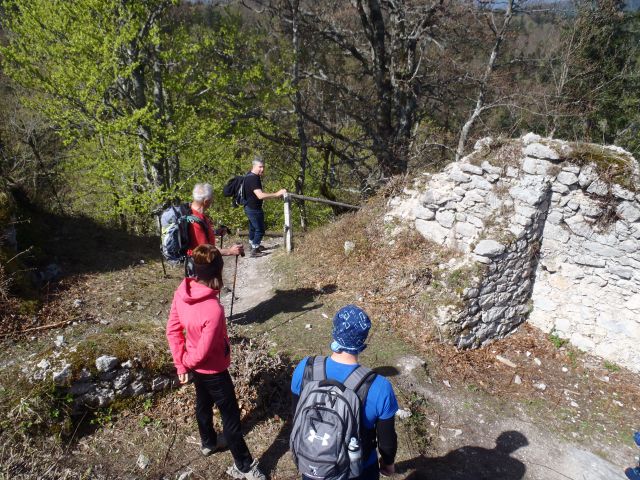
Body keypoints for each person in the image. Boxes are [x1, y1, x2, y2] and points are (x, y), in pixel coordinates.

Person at [166, 244, 266, 480]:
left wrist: (181, 364)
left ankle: (208, 442)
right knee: (231, 419)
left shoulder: (181, 293)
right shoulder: (213, 309)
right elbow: (202, 353)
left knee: (202, 403)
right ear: (218, 272)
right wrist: (188, 362)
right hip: (214, 370)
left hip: (197, 369)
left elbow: (172, 331)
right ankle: (245, 465)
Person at [290, 305, 398, 480]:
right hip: (358, 469)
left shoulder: (305, 367)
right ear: (363, 341)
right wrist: (388, 463)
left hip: (313, 463)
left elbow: (296, 414)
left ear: (334, 332)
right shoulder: (380, 386)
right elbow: (387, 440)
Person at [243, 156, 287, 257]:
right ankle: (255, 250)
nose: (262, 169)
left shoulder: (249, 175)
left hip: (248, 206)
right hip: (254, 208)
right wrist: (276, 194)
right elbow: (260, 195)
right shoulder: (253, 178)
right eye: (260, 167)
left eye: (263, 167)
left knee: (253, 228)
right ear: (254, 166)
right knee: (260, 229)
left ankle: (253, 245)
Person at [189, 183, 243, 257]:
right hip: (199, 265)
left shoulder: (195, 213)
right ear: (206, 201)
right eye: (212, 198)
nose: (213, 200)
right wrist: (230, 251)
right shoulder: (194, 221)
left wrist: (215, 232)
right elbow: (204, 251)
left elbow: (200, 234)